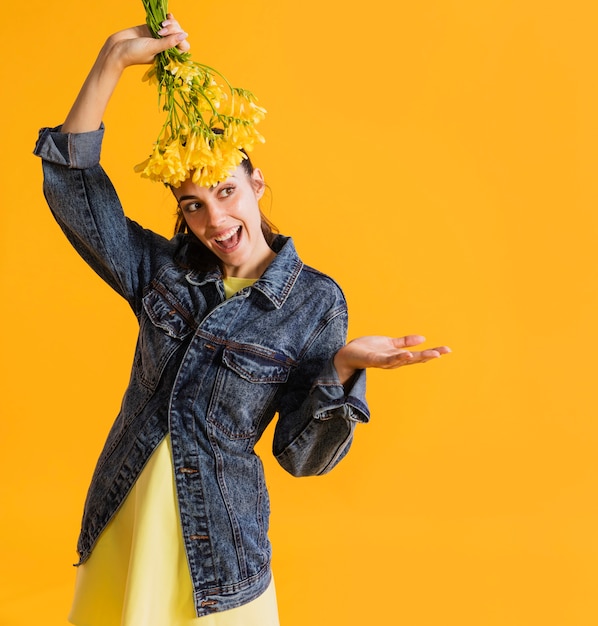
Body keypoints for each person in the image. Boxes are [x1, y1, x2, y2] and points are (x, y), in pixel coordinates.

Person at [34, 15, 450, 626]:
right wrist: (111, 64)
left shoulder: (314, 303)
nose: (214, 220)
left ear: (256, 183)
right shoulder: (164, 272)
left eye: (227, 192)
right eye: (193, 205)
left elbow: (301, 456)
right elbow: (74, 188)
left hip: (221, 551)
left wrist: (341, 369)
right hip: (126, 517)